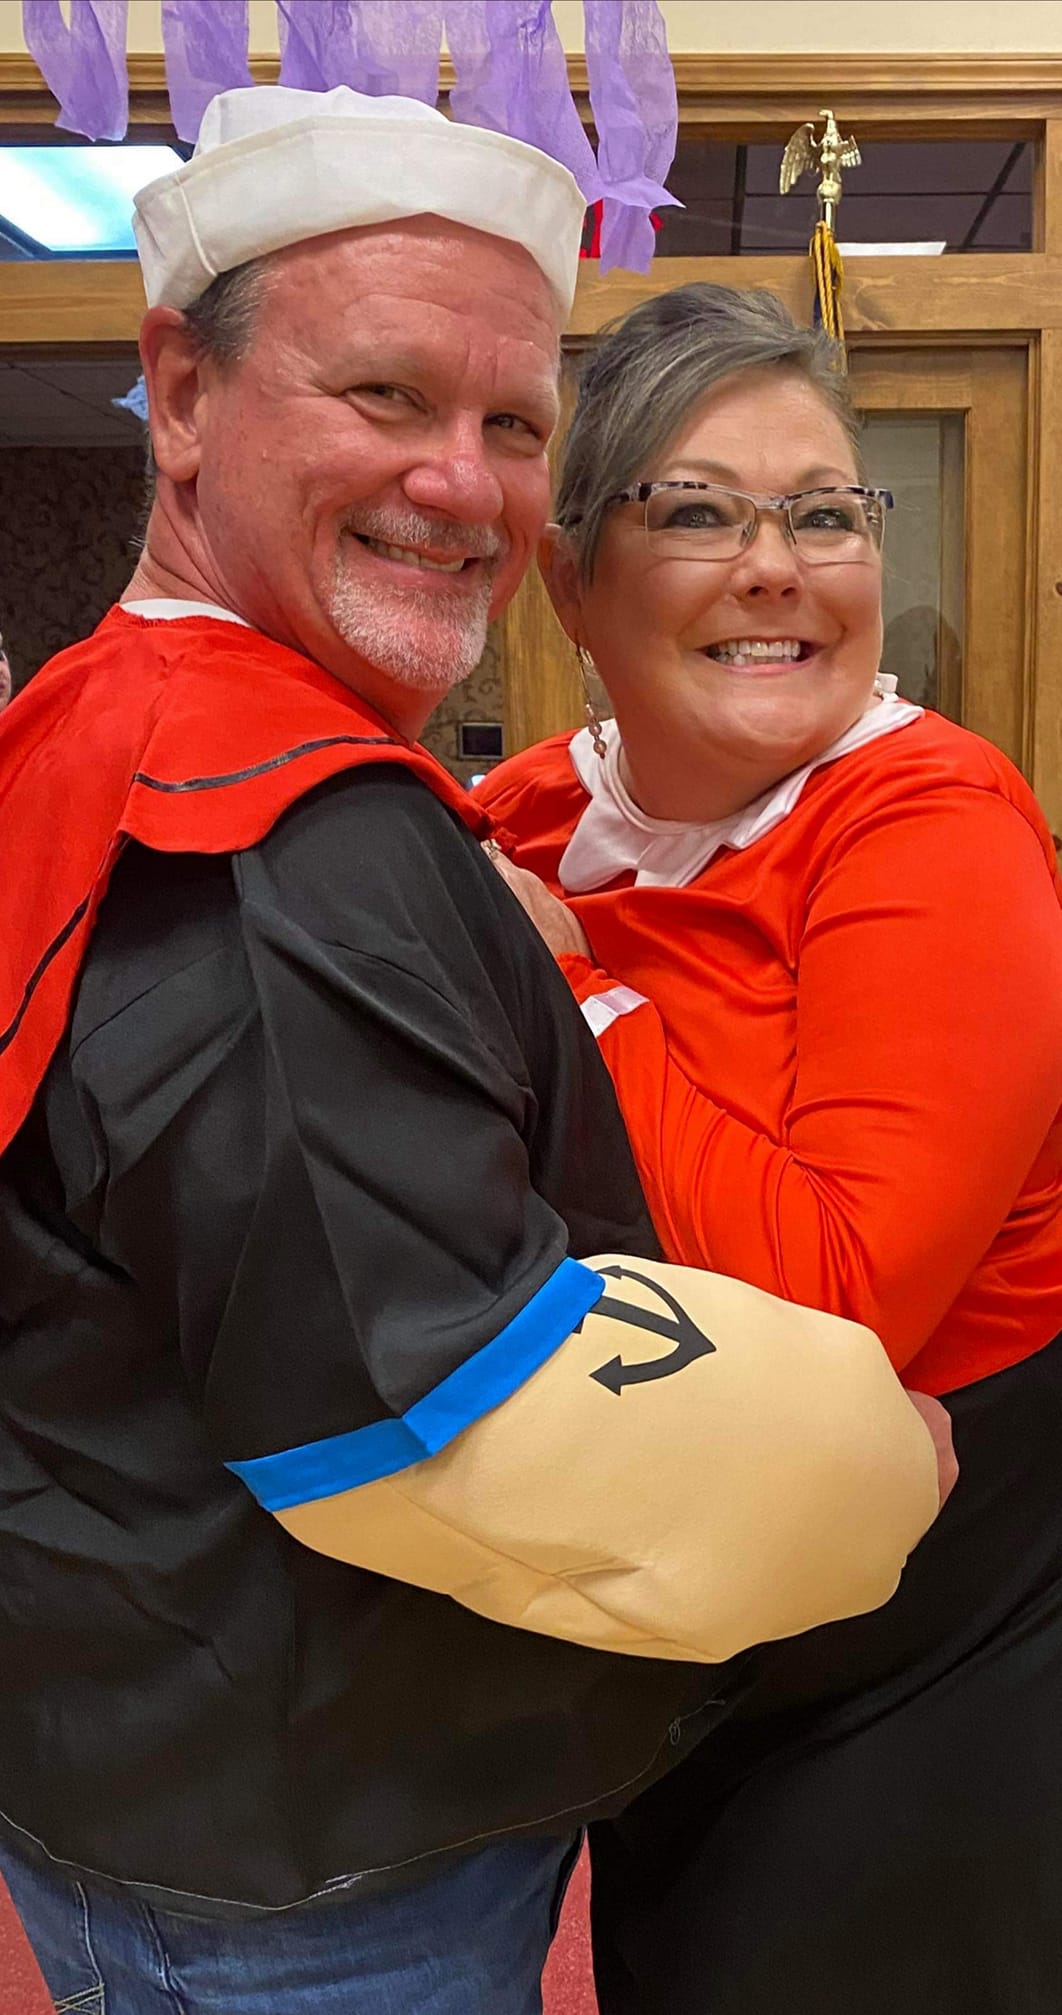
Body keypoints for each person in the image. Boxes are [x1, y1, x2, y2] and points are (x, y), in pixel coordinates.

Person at [0, 104, 947, 2015]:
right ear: (181, 394)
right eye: (384, 394)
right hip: (301, 1826)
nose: (459, 483)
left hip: (169, 1714)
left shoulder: (104, 711)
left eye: (513, 425)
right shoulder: (270, 827)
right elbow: (438, 1407)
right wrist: (880, 1454)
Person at [478, 281, 1062, 2013]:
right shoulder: (532, 815)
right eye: (696, 513)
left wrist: (574, 998)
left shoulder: (932, 824)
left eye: (822, 513)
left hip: (928, 1627)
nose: (775, 567)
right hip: (695, 1614)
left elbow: (833, 1302)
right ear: (571, 583)